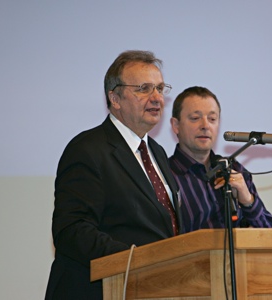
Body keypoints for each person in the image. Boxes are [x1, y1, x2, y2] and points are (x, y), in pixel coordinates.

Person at [45, 50, 183, 300]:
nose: (157, 98)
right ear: (115, 98)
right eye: (144, 88)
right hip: (98, 291)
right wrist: (140, 259)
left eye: (160, 89)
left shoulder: (157, 153)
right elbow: (71, 230)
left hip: (152, 290)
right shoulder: (87, 149)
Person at [169, 86, 272, 232]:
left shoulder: (234, 169)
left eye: (212, 119)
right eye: (195, 118)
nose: (205, 125)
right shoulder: (165, 175)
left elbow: (271, 233)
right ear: (176, 126)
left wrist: (247, 201)